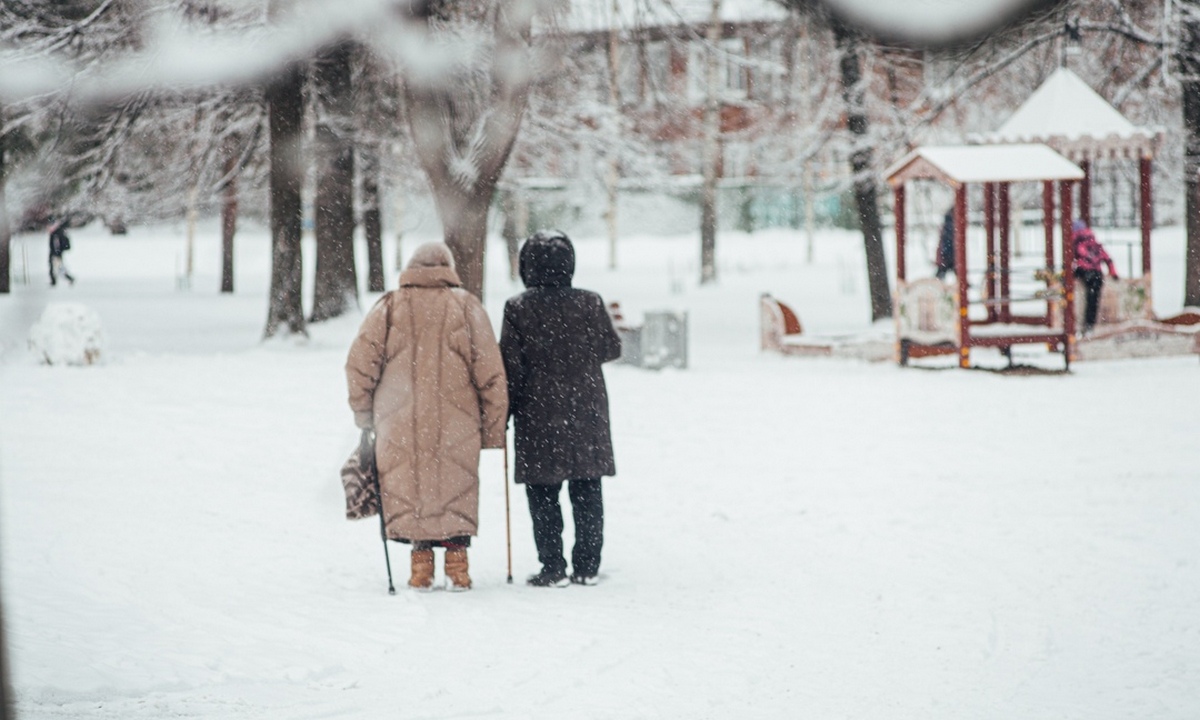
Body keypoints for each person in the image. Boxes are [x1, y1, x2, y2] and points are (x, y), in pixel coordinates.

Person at [345, 242, 507, 591]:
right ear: (447, 267)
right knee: (454, 488)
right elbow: (491, 374)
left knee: (410, 488)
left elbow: (360, 365)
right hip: (458, 424)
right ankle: (457, 566)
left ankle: (420, 568)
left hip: (398, 421)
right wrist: (492, 430)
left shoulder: (388, 307)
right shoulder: (467, 307)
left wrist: (363, 412)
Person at [500, 231, 622, 588]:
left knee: (542, 492)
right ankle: (586, 565)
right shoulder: (589, 303)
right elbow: (610, 348)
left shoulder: (518, 308)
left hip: (537, 411)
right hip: (585, 410)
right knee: (587, 488)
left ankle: (552, 565)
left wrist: (502, 414)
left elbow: (510, 366)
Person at [1071, 219, 1118, 334]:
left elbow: (1073, 257)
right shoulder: (1094, 242)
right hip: (1097, 274)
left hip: (1085, 272)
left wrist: (1070, 275)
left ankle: (1084, 325)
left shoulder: (1076, 240)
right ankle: (1090, 325)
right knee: (1093, 300)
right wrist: (1113, 272)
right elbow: (1107, 258)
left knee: (1088, 299)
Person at [48, 220, 75, 286]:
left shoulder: (56, 234)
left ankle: (54, 281)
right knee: (59, 267)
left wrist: (56, 252)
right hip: (57, 253)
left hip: (55, 254)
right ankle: (68, 278)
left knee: (55, 268)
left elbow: (56, 245)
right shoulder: (60, 232)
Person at [935, 208, 955, 281]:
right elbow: (947, 242)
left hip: (945, 255)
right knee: (941, 274)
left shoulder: (947, 224)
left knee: (940, 274)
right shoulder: (950, 226)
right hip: (948, 256)